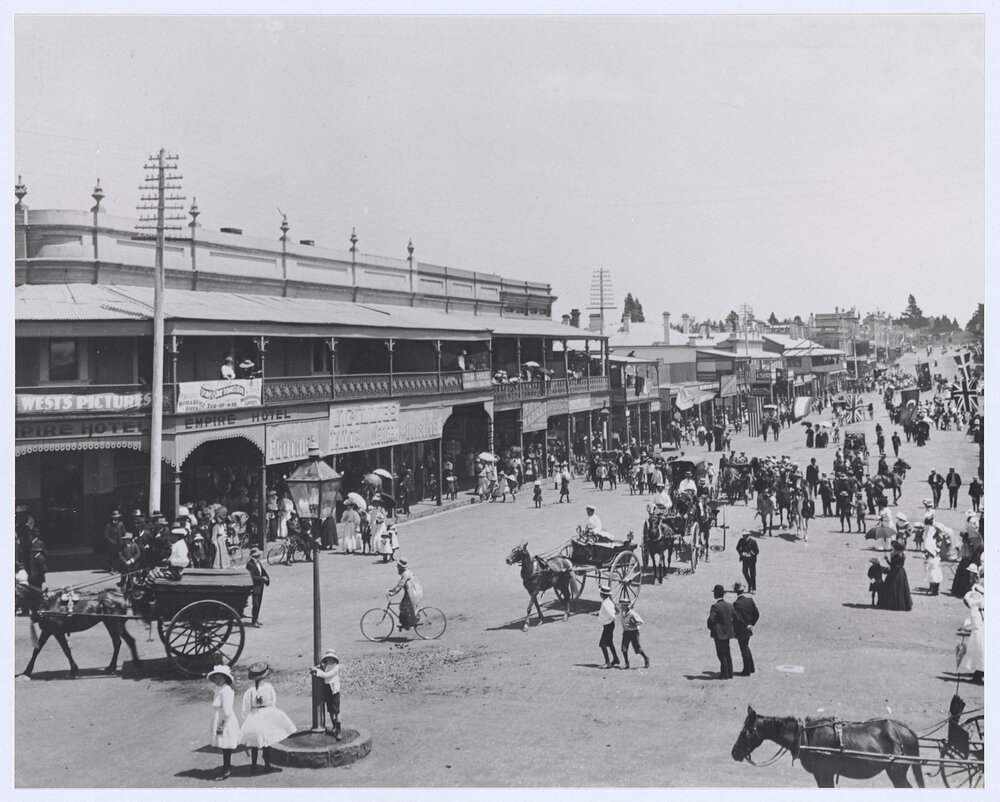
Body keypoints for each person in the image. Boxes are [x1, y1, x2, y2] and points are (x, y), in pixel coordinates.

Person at [238, 662, 296, 775]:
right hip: (266, 714)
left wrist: (248, 718)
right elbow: (273, 702)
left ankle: (253, 766)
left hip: (254, 716)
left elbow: (245, 708)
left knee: (254, 743)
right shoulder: (268, 687)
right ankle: (267, 765)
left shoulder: (249, 691)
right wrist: (272, 714)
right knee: (266, 742)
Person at [207, 665, 240, 780]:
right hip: (219, 717)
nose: (218, 680)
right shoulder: (218, 689)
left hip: (224, 720)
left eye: (220, 678)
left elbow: (227, 711)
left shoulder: (226, 691)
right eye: (216, 678)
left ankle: (226, 769)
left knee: (226, 744)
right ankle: (226, 766)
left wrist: (221, 725)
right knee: (223, 745)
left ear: (226, 679)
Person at [957, 566, 984, 684]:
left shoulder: (974, 610)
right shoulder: (981, 609)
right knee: (981, 655)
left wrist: (965, 628)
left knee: (978, 653)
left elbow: (976, 624)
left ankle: (978, 676)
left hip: (979, 634)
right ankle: (979, 674)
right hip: (983, 632)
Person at [310, 649, 343, 740]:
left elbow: (327, 675)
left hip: (334, 690)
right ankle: (334, 727)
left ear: (334, 659)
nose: (329, 660)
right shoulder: (326, 666)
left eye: (331, 658)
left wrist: (317, 671)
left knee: (336, 711)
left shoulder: (336, 667)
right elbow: (324, 673)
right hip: (327, 689)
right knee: (331, 711)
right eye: (328, 658)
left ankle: (339, 730)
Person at [731, 581, 759, 676]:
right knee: (746, 647)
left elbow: (738, 619)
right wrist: (751, 624)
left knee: (744, 649)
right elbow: (756, 614)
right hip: (749, 629)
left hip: (742, 630)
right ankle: (751, 668)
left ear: (736, 591)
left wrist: (745, 626)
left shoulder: (736, 604)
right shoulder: (750, 600)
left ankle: (747, 670)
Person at [707, 584, 734, 679]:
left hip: (718, 634)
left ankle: (724, 674)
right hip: (727, 633)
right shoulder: (730, 605)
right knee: (727, 652)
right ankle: (730, 673)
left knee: (721, 654)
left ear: (716, 594)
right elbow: (735, 618)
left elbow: (711, 620)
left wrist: (712, 628)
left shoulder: (715, 606)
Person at [387, 558, 423, 630]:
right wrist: (392, 590)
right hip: (412, 592)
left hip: (411, 593)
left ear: (400, 566)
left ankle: (408, 624)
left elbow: (400, 585)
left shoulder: (405, 574)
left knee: (404, 607)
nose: (397, 567)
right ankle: (405, 623)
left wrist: (392, 593)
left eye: (398, 566)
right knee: (403, 607)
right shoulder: (407, 572)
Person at [878, 540, 913, 611]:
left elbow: (892, 565)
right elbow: (900, 565)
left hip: (893, 572)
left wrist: (887, 560)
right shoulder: (902, 554)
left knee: (890, 587)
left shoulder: (893, 554)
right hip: (901, 572)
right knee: (901, 589)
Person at [619, 600, 650, 669]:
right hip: (626, 632)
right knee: (624, 648)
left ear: (625, 606)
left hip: (634, 633)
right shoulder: (622, 612)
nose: (620, 606)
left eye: (621, 605)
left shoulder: (632, 614)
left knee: (637, 649)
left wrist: (633, 624)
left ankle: (646, 658)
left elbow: (641, 622)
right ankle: (627, 663)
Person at [596, 584, 620, 669]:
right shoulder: (609, 602)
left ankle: (607, 662)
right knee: (609, 642)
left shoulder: (605, 604)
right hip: (609, 625)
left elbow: (612, 615)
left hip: (608, 625)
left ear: (602, 594)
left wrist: (611, 617)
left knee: (602, 643)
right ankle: (616, 659)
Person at [246, 548, 269, 627]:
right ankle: (254, 621)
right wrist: (262, 578)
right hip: (254, 587)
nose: (259, 557)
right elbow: (251, 577)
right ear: (254, 556)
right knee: (255, 604)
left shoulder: (258, 563)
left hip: (260, 586)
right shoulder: (250, 564)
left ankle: (256, 619)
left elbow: (262, 571)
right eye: (257, 556)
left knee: (259, 603)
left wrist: (266, 579)